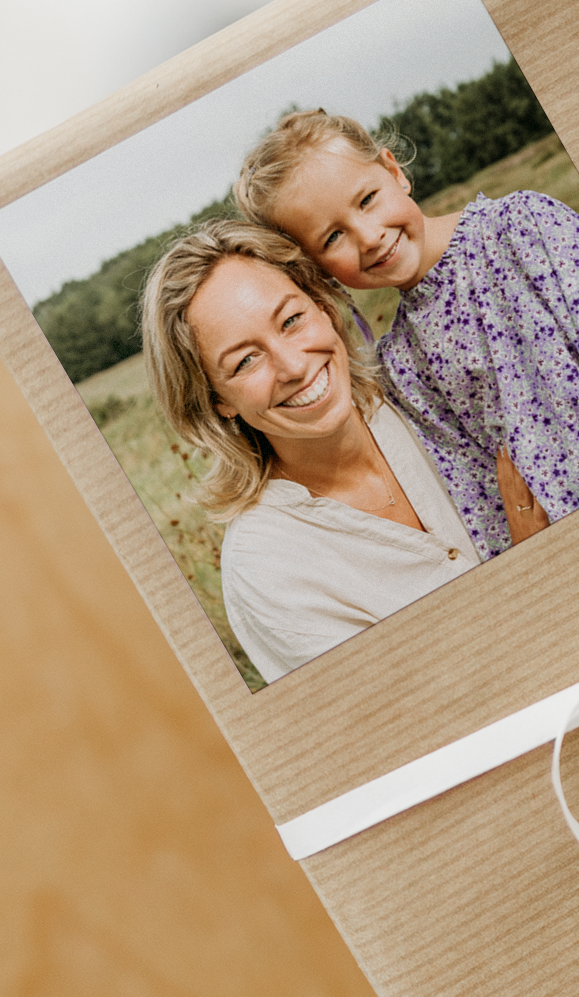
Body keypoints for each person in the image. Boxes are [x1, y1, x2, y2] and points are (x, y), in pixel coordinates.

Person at [234, 108, 579, 560]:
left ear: (393, 170)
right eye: (332, 237)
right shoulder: (401, 364)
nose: (369, 236)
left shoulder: (526, 228)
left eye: (367, 199)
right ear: (316, 268)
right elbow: (479, 501)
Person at [139, 219, 482, 683]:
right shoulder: (268, 567)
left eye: (292, 320)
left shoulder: (429, 385)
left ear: (322, 308)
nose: (295, 366)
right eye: (245, 360)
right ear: (217, 399)